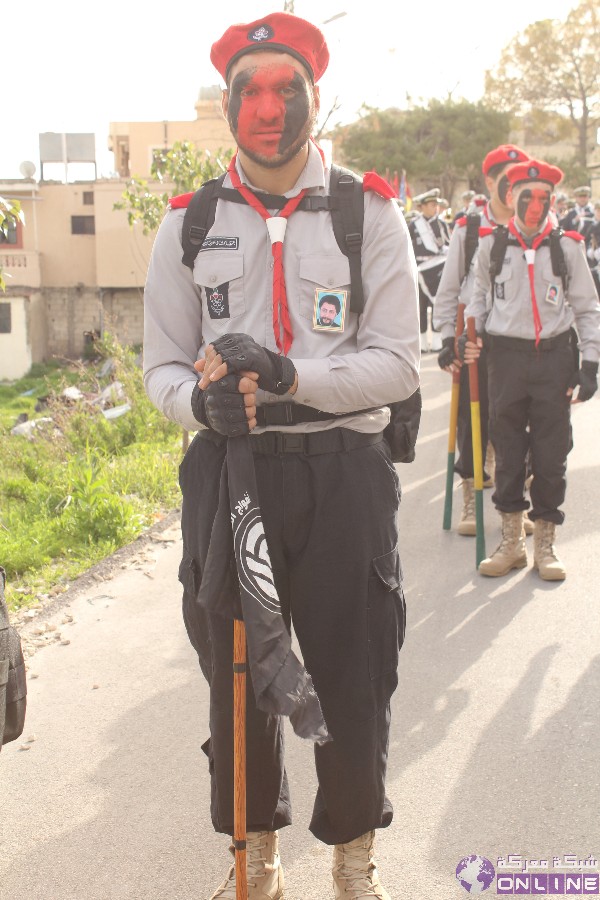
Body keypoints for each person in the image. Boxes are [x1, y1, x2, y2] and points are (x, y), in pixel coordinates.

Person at [143, 11, 420, 899]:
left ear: (314, 96)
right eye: (248, 91)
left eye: (284, 90)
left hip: (344, 472)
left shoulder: (367, 211)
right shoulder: (188, 223)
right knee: (235, 672)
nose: (268, 108)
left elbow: (396, 364)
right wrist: (200, 402)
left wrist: (292, 375)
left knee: (352, 668)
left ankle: (351, 858)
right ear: (228, 105)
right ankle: (253, 858)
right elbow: (161, 366)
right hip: (231, 476)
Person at [462, 159, 600, 580]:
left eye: (544, 197)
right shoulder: (491, 244)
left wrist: (591, 361)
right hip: (505, 359)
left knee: (551, 453)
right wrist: (469, 335)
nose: (537, 205)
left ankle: (546, 545)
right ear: (510, 198)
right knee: (506, 453)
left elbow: (588, 307)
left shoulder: (569, 246)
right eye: (528, 197)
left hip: (554, 360)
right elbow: (478, 297)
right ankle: (512, 544)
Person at [433, 144, 530, 535]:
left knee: (518, 424)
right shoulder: (468, 229)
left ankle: (516, 505)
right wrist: (445, 339)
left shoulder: (538, 226)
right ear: (490, 181)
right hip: (475, 337)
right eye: (505, 179)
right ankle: (471, 497)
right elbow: (448, 288)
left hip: (521, 343)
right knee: (471, 422)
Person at [408, 187, 451, 352]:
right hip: (419, 271)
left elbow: (448, 245)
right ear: (423, 206)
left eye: (436, 205)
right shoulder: (413, 226)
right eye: (432, 205)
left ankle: (437, 342)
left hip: (438, 270)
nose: (435, 208)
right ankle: (421, 342)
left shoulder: (441, 225)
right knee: (420, 306)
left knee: (437, 305)